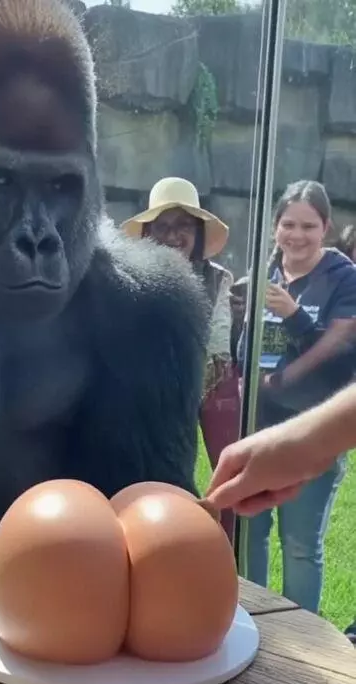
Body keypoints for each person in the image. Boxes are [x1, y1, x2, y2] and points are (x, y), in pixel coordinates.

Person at [236, 180, 356, 614]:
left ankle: (302, 638)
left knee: (300, 542)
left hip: (312, 431)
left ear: (325, 227)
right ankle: (255, 620)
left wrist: (295, 316)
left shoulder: (343, 278)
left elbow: (342, 358)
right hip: (258, 426)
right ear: (275, 227)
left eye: (308, 226)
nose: (297, 235)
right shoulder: (264, 271)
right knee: (250, 530)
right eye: (289, 224)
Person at [122, 177, 240, 542]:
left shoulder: (219, 279)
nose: (173, 236)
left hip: (208, 382)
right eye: (164, 226)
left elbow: (219, 346)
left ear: (199, 233)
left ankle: (226, 541)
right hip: (148, 387)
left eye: (183, 226)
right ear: (149, 232)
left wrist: (186, 390)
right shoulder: (132, 278)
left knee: (229, 470)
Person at [206, 382, 356, 644]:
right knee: (257, 535)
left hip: (305, 401)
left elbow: (338, 343)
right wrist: (312, 439)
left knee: (301, 547)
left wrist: (283, 381)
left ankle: (303, 639)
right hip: (271, 417)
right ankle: (272, 634)